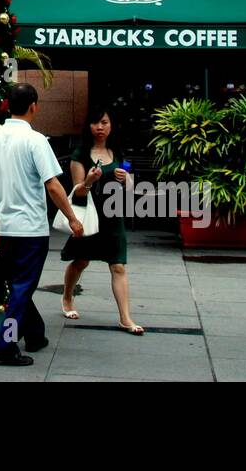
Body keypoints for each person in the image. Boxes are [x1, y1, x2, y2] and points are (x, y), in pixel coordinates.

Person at [0, 83, 83, 366]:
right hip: (31, 229)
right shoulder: (36, 141)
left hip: (6, 227)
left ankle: (35, 334)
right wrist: (72, 217)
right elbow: (53, 185)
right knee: (23, 286)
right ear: (34, 106)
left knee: (19, 284)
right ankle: (6, 343)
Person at [58, 106, 144, 335]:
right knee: (81, 261)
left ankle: (126, 318)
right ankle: (67, 298)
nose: (100, 127)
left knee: (118, 266)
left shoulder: (117, 152)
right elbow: (78, 192)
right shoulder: (81, 155)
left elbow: (131, 189)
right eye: (96, 123)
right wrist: (88, 181)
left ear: (111, 125)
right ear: (89, 126)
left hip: (114, 217)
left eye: (105, 123)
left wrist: (126, 180)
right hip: (89, 217)